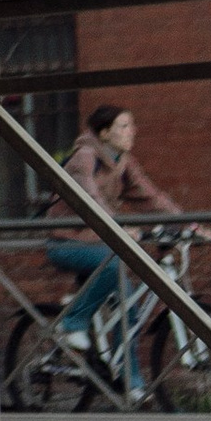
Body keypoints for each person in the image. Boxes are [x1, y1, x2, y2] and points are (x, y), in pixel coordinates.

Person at [48, 104, 190, 353]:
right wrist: (120, 227)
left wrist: (188, 224)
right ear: (104, 134)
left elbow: (151, 196)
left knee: (128, 311)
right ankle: (72, 322)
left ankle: (130, 381)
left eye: (131, 126)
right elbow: (91, 199)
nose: (132, 131)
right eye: (124, 126)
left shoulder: (123, 161)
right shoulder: (84, 157)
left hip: (100, 241)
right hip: (66, 242)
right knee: (114, 262)